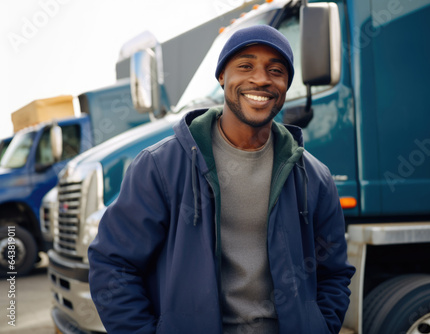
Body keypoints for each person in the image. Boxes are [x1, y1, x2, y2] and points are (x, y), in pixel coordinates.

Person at [88, 25, 355, 334]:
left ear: (286, 85)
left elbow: (333, 273)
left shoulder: (314, 177)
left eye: (276, 70)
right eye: (245, 65)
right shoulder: (161, 165)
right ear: (221, 77)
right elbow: (113, 264)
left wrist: (319, 326)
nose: (261, 79)